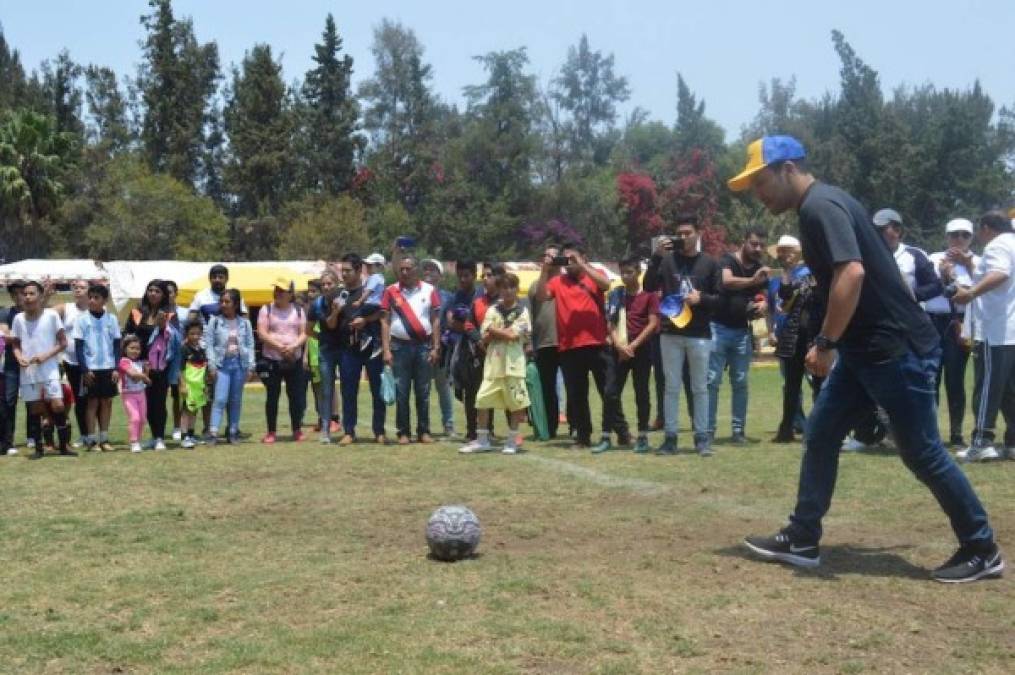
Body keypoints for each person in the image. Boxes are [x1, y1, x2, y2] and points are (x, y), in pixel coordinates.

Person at [732, 134, 1002, 582]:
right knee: (820, 433)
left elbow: (851, 272)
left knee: (922, 453)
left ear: (787, 170)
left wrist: (827, 341)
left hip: (894, 348)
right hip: (867, 350)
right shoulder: (821, 204)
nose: (758, 194)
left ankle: (982, 547)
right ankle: (802, 537)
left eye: (760, 182)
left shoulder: (820, 207)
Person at [643, 215, 721, 456]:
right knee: (671, 387)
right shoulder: (666, 262)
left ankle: (702, 438)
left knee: (699, 387)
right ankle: (670, 437)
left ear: (698, 234)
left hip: (699, 333)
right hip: (670, 332)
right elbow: (647, 287)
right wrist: (655, 257)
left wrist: (702, 298)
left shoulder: (710, 263)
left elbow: (721, 300)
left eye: (688, 232)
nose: (684, 237)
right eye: (680, 233)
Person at [535, 243, 625, 450]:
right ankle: (583, 436)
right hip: (569, 347)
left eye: (572, 258)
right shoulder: (557, 281)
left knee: (608, 391)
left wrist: (582, 266)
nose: (569, 263)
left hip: (597, 343)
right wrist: (544, 270)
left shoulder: (595, 274)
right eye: (565, 259)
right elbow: (541, 296)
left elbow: (605, 285)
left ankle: (621, 430)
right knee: (577, 394)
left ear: (583, 257)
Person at [953, 211, 1015, 462]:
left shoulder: (997, 244)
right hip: (1011, 331)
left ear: (987, 228)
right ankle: (1012, 443)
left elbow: (1000, 273)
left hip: (996, 329)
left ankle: (982, 440)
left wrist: (971, 293)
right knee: (1010, 390)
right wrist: (971, 265)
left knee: (987, 386)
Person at [708, 226, 770, 444]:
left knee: (741, 382)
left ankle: (738, 431)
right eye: (754, 244)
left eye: (761, 245)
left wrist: (764, 305)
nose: (758, 248)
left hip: (743, 331)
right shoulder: (727, 260)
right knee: (712, 380)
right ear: (744, 241)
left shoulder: (761, 269)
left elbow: (764, 295)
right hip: (718, 328)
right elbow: (726, 281)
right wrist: (753, 281)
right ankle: (708, 431)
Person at [459, 273, 532, 454]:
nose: (507, 291)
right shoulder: (493, 310)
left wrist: (495, 330)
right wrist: (501, 331)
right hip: (493, 363)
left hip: (513, 365)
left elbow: (514, 335)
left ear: (516, 289)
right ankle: (482, 440)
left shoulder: (523, 311)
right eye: (504, 288)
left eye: (511, 287)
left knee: (515, 403)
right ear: (499, 290)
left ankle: (511, 441)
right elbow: (484, 337)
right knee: (482, 400)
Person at [926, 218, 980, 448]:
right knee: (931, 378)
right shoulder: (933, 258)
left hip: (960, 322)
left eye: (964, 235)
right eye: (954, 234)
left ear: (971, 237)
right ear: (946, 236)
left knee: (955, 380)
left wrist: (965, 269)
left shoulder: (978, 261)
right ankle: (930, 432)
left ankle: (957, 434)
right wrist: (941, 276)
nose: (959, 239)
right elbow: (925, 290)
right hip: (933, 321)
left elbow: (984, 289)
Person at [10, 281, 75, 459]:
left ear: (40, 296)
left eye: (32, 293)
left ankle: (63, 446)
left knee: (58, 405)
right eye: (25, 294)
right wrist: (18, 356)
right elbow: (15, 344)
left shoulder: (51, 315)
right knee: (36, 410)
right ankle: (39, 449)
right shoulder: (18, 319)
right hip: (28, 371)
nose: (28, 297)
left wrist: (45, 356)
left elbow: (63, 343)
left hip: (49, 369)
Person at [381, 255, 442, 445]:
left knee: (423, 391)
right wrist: (386, 349)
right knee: (402, 391)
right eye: (402, 269)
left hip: (424, 346)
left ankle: (424, 431)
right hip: (399, 347)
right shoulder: (391, 291)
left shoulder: (429, 290)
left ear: (417, 270)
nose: (404, 272)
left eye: (408, 269)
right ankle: (403, 432)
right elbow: (384, 321)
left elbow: (435, 320)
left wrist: (436, 346)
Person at [604, 256, 660, 454]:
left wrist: (633, 346)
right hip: (618, 351)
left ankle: (643, 435)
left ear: (638, 272)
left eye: (629, 272)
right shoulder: (616, 295)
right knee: (610, 392)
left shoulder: (649, 296)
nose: (625, 276)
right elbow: (609, 323)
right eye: (622, 272)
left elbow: (653, 323)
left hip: (641, 351)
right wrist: (619, 345)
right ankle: (605, 436)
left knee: (641, 393)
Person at [770, 236, 823, 442]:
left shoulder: (813, 272)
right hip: (793, 335)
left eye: (789, 250)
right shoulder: (787, 275)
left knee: (819, 383)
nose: (785, 254)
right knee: (791, 386)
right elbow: (783, 297)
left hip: (814, 334)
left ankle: (820, 428)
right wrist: (785, 272)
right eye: (781, 251)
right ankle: (787, 428)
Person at [335, 254, 387, 445]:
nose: (344, 275)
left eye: (348, 271)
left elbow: (383, 313)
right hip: (349, 349)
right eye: (342, 271)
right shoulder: (339, 294)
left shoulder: (373, 289)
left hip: (373, 347)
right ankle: (349, 431)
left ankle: (379, 431)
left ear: (359, 271)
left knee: (377, 390)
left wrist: (365, 320)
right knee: (348, 390)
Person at [124, 280, 179, 450]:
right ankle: (153, 437)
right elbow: (127, 334)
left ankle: (160, 437)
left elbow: (175, 339)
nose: (153, 293)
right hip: (139, 366)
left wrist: (164, 328)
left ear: (164, 295)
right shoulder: (136, 312)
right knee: (145, 402)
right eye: (150, 290)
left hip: (159, 366)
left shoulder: (170, 315)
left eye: (157, 291)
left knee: (159, 402)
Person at [257, 280, 308, 444]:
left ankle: (297, 429)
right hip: (272, 359)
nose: (278, 292)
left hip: (294, 359)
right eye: (276, 289)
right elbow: (262, 333)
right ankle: (271, 431)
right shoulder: (266, 309)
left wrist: (293, 347)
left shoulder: (299, 311)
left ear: (290, 294)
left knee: (296, 397)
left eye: (282, 290)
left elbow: (304, 333)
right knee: (272, 396)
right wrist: (281, 347)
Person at [73, 284, 122, 452]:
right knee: (92, 403)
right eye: (90, 297)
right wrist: (85, 370)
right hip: (91, 368)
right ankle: (92, 440)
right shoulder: (82, 320)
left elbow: (117, 346)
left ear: (104, 300)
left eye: (96, 298)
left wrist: (116, 367)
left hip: (108, 368)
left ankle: (104, 438)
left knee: (107, 402)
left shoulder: (112, 319)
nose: (92, 301)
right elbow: (78, 347)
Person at [206, 289, 255, 444]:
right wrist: (212, 366)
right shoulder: (214, 321)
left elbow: (250, 345)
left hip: (239, 364)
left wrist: (250, 366)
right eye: (222, 301)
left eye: (227, 302)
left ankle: (233, 431)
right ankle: (213, 432)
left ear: (236, 304)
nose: (224, 304)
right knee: (220, 399)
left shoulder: (245, 323)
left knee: (235, 399)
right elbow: (209, 345)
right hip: (222, 364)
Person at [446, 260, 483, 440]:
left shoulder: (482, 295)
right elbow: (451, 322)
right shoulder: (456, 296)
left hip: (482, 347)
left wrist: (469, 327)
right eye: (459, 275)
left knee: (484, 390)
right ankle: (471, 430)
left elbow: (483, 323)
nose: (462, 279)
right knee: (468, 390)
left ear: (474, 276)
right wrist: (466, 327)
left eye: (466, 275)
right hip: (463, 349)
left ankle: (487, 429)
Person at [528, 245, 563, 439]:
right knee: (547, 388)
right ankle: (550, 427)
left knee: (574, 387)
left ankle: (577, 425)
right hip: (544, 343)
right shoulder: (536, 285)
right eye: (546, 256)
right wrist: (544, 271)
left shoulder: (566, 282)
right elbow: (533, 314)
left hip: (566, 342)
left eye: (554, 257)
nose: (550, 260)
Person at [307, 270, 344, 443]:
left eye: (330, 283)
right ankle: (325, 430)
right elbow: (308, 330)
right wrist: (320, 337)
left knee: (348, 389)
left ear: (337, 284)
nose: (326, 287)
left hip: (346, 350)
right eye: (324, 284)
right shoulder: (316, 305)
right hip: (326, 351)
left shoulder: (345, 299)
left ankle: (349, 430)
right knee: (326, 390)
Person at [422, 259, 456, 437]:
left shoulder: (448, 297)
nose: (428, 272)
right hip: (421, 347)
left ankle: (449, 424)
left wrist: (444, 342)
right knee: (423, 389)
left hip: (441, 349)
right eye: (426, 269)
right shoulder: (416, 293)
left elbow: (450, 324)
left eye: (433, 269)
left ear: (440, 276)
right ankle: (424, 425)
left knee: (443, 388)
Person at [55, 278, 91, 446]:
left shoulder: (98, 309)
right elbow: (43, 314)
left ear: (89, 291)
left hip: (92, 362)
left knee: (94, 399)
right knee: (79, 399)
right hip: (71, 362)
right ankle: (84, 435)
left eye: (82, 287)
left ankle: (94, 434)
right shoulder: (66, 308)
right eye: (75, 287)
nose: (77, 289)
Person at [1, 282, 25, 455]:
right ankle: (7, 442)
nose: (19, 296)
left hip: (32, 361)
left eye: (22, 292)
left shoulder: (35, 312)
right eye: (15, 293)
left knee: (34, 401)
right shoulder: (5, 312)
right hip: (11, 363)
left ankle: (34, 437)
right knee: (9, 401)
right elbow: (5, 335)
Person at [118, 334, 151, 453]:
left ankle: (138, 440)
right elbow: (133, 375)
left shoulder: (140, 363)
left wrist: (146, 371)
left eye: (137, 348)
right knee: (135, 418)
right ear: (125, 349)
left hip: (141, 394)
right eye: (132, 348)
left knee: (142, 419)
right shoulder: (123, 361)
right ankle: (134, 441)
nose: (135, 351)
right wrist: (144, 377)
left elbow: (143, 377)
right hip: (128, 394)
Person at [178, 321, 208, 450]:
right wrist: (183, 385)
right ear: (186, 334)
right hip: (188, 386)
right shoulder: (183, 349)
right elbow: (180, 369)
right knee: (186, 410)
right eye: (192, 334)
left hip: (199, 386)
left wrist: (205, 385)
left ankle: (191, 434)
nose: (195, 336)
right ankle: (184, 437)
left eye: (198, 333)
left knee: (195, 410)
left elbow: (203, 369)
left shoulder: (201, 350)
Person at [164, 279, 186, 441]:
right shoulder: (158, 313)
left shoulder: (185, 313)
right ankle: (159, 428)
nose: (167, 295)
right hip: (163, 359)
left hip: (182, 358)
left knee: (179, 394)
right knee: (160, 394)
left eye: (170, 292)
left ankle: (179, 426)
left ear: (176, 293)